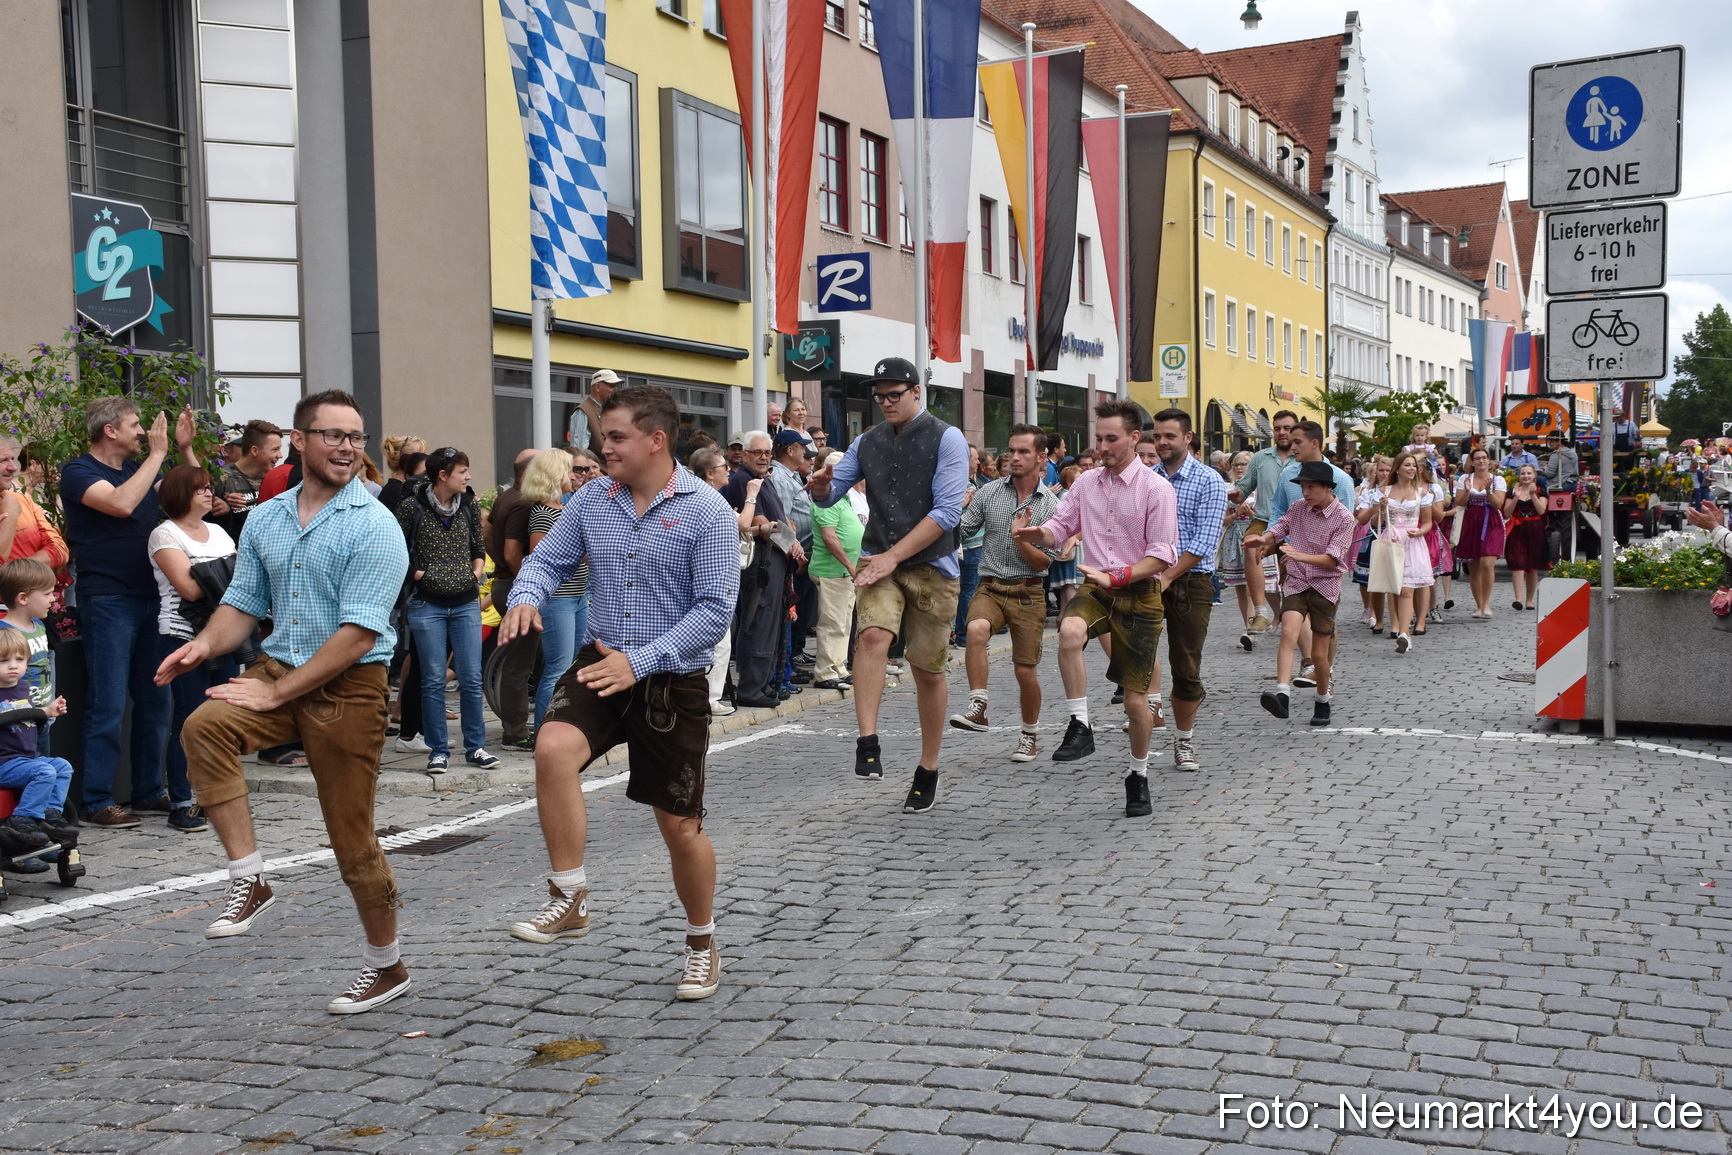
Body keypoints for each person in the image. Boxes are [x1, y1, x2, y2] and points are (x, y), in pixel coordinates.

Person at [157, 389, 414, 1014]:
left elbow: (357, 635)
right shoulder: (269, 517)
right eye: (333, 435)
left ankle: (388, 965)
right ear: (299, 441)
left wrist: (275, 690)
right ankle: (250, 880)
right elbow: (242, 604)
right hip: (281, 664)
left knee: (351, 838)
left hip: (349, 686)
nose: (348, 447)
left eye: (355, 436)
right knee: (204, 728)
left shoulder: (376, 525)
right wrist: (202, 647)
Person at [500, 384, 737, 1001]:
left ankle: (700, 941)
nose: (600, 447)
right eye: (603, 436)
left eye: (614, 437)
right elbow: (546, 561)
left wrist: (644, 661)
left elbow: (714, 610)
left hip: (669, 678)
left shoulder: (706, 510)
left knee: (679, 826)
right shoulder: (590, 503)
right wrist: (526, 596)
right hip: (600, 660)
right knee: (551, 748)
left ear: (656, 440)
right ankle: (570, 893)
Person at [806, 357, 969, 814]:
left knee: (927, 669)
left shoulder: (947, 437)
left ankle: (928, 767)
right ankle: (867, 740)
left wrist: (892, 557)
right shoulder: (866, 441)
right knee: (873, 635)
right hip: (880, 560)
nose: (886, 403)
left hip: (932, 566)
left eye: (894, 395)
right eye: (880, 396)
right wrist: (819, 487)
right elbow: (830, 492)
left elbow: (947, 514)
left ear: (917, 392)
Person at [1012, 399, 1178, 820]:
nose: (1101, 446)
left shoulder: (1156, 489)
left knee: (1136, 705)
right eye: (1097, 438)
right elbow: (1060, 528)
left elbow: (1162, 555)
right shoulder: (1085, 484)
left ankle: (1137, 775)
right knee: (1068, 632)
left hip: (1138, 594)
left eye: (1111, 439)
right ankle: (1080, 725)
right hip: (1096, 586)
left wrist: (1119, 575)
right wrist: (1035, 533)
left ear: (1134, 438)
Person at [60, 397, 198, 827]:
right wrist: (157, 454)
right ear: (110, 430)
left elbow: (189, 494)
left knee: (157, 699)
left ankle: (147, 791)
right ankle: (96, 800)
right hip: (109, 600)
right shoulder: (78, 471)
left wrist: (183, 449)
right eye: (136, 425)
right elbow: (120, 503)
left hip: (151, 599)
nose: (142, 433)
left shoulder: (138, 472)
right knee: (108, 704)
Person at [948, 424, 1058, 761]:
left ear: (1041, 457)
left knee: (1025, 671)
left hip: (1028, 591)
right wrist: (948, 510)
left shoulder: (1051, 504)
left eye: (1023, 452)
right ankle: (978, 705)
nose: (1014, 457)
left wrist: (1021, 537)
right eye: (1011, 450)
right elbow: (961, 531)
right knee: (976, 629)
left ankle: (1029, 734)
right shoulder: (990, 492)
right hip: (991, 586)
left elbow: (1044, 563)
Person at [148, 465, 240, 833]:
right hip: (181, 635)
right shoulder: (163, 534)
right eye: (199, 488)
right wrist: (226, 573)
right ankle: (182, 802)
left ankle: (217, 794)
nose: (208, 493)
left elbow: (242, 578)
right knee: (188, 719)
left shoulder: (217, 530)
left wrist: (216, 574)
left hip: (225, 633)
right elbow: (189, 589)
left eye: (208, 487)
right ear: (179, 494)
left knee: (225, 715)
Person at [398, 447, 496, 773]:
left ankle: (476, 748)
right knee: (432, 680)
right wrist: (417, 574)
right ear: (443, 475)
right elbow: (396, 548)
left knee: (470, 678)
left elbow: (478, 547)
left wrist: (475, 570)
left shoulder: (468, 505)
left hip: (466, 602)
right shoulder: (412, 507)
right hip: (428, 604)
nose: (468, 477)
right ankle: (437, 750)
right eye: (462, 472)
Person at [1243, 461, 1354, 726]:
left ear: (1328, 487)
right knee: (1288, 633)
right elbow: (1279, 528)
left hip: (1325, 587)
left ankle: (1322, 699)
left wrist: (1298, 555)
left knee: (1319, 655)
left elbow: (1332, 560)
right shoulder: (1298, 508)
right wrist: (1264, 539)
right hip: (1296, 582)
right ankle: (1282, 694)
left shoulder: (1344, 518)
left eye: (1311, 487)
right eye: (1303, 486)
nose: (1305, 492)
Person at [1148, 408, 1228, 773]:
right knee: (1136, 653)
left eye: (1170, 436)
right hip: (1149, 576)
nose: (1162, 442)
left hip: (1191, 581)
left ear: (1188, 437)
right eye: (1158, 436)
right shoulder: (1147, 478)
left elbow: (1204, 542)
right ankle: (1145, 725)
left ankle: (1184, 741)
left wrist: (1167, 575)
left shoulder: (1209, 480)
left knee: (1185, 664)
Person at [723, 431, 800, 708]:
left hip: (775, 560)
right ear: (744, 454)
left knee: (772, 625)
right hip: (761, 562)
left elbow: (783, 522)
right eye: (758, 452)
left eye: (767, 452)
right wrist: (794, 545)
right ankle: (751, 688)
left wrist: (791, 540)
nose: (764, 457)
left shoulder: (764, 480)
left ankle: (765, 683)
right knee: (759, 622)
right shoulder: (744, 479)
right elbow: (763, 524)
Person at [522, 449, 588, 730]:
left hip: (579, 594)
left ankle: (563, 725)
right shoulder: (542, 513)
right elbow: (540, 561)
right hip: (558, 598)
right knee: (557, 669)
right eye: (569, 469)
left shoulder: (566, 508)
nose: (573, 475)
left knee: (572, 667)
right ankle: (544, 731)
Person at [486, 447, 542, 751]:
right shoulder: (522, 502)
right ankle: (516, 732)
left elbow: (486, 532)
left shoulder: (507, 496)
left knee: (523, 661)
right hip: (515, 589)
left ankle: (517, 726)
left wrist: (505, 570)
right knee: (520, 665)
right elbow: (510, 551)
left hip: (505, 583)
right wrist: (528, 584)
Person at [0, 628, 72, 853]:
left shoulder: (22, 687)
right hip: (4, 762)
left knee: (62, 766)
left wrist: (48, 711)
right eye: (4, 661)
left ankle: (51, 813)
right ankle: (22, 818)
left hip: (26, 758)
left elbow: (30, 719)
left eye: (19, 659)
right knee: (44, 772)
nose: (13, 666)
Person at [1230, 410, 1297, 643]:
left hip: (1296, 523)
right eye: (1277, 428)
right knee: (1249, 545)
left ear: (1296, 430)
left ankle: (1295, 619)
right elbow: (1243, 491)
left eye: (1287, 428)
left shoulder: (1303, 457)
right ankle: (1260, 613)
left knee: (1292, 571)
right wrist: (1235, 495)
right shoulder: (1261, 458)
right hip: (1265, 518)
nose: (1281, 432)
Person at [688, 446, 740, 714]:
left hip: (716, 580)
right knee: (718, 643)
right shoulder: (708, 500)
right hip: (712, 583)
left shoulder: (709, 497)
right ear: (710, 473)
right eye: (724, 467)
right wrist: (752, 496)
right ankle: (709, 698)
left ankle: (708, 696)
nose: (728, 471)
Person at [808, 448, 863, 692]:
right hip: (833, 570)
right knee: (832, 623)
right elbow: (830, 538)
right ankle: (825, 672)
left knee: (843, 623)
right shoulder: (826, 500)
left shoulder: (843, 496)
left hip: (844, 571)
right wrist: (852, 567)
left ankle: (839, 667)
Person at [1376, 451, 1435, 653]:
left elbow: (1428, 522)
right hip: (1391, 539)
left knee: (1407, 588)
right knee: (1395, 588)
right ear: (1398, 468)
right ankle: (1402, 630)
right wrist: (1381, 509)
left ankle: (1403, 633)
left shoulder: (1422, 493)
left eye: (1414, 466)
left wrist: (1420, 531)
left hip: (1412, 540)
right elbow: (1377, 522)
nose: (1412, 469)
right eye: (1408, 465)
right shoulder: (1384, 490)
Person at [0, 436, 70, 570]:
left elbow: (60, 549)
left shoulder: (23, 500)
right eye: (3, 460)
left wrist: (16, 572)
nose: (14, 467)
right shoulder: (15, 501)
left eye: (12, 459)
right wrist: (11, 516)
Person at [1454, 447, 1508, 618]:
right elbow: (1459, 503)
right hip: (1470, 521)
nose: (1481, 461)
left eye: (1484, 458)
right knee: (1474, 567)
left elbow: (1498, 504)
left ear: (1489, 461)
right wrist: (1468, 491)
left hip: (1490, 521)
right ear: (1472, 461)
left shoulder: (1497, 479)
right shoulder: (1465, 478)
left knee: (1487, 563)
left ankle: (1486, 603)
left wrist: (1489, 491)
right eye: (1477, 458)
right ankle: (1479, 605)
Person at [212, 420, 283, 539]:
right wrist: (227, 509)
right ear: (254, 451)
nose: (280, 455)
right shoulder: (221, 477)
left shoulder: (272, 479)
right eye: (275, 450)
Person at [1215, 452, 1257, 630]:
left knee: (1251, 589)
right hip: (1233, 540)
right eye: (1236, 464)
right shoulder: (1228, 489)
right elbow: (1221, 521)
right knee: (1240, 589)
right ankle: (1248, 627)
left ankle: (1253, 629)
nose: (1239, 467)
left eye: (1244, 464)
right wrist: (1235, 515)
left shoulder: (1259, 489)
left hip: (1252, 536)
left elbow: (1266, 520)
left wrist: (1250, 514)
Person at [952, 445, 986, 648]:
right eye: (974, 458)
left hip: (974, 545)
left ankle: (963, 633)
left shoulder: (973, 482)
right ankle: (964, 635)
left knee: (969, 590)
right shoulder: (961, 485)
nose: (978, 462)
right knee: (969, 591)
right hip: (969, 547)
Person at [1351, 457, 1391, 631]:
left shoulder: (1401, 489)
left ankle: (1401, 616)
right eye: (1381, 470)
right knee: (1371, 577)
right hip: (1376, 533)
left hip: (1397, 535)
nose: (1384, 474)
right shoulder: (1371, 492)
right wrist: (1374, 508)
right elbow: (1363, 520)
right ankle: (1373, 611)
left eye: (1387, 470)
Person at [1504, 463, 1548, 612]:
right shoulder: (1513, 491)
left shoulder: (1541, 491)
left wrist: (1533, 494)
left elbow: (1541, 510)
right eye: (1523, 473)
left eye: (1529, 473)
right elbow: (1506, 512)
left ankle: (1529, 600)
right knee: (1517, 564)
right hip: (1518, 528)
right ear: (1519, 475)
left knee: (1532, 566)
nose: (1526, 476)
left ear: (1534, 475)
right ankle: (1518, 599)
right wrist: (1516, 497)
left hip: (1534, 528)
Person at [573, 368, 621, 453]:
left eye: (616, 386)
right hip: (597, 466)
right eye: (612, 386)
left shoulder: (610, 410)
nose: (616, 390)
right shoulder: (583, 412)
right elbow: (579, 452)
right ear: (598, 387)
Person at [379, 435, 428, 512]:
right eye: (420, 456)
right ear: (405, 459)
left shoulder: (407, 487)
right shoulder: (394, 492)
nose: (425, 460)